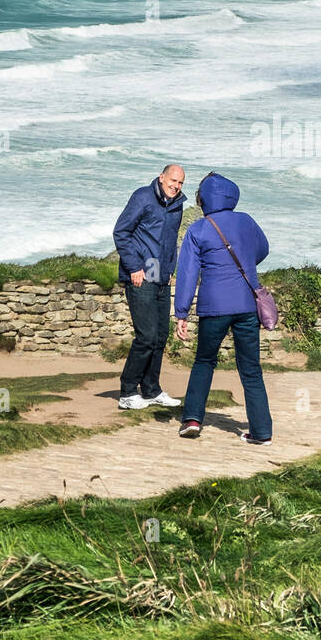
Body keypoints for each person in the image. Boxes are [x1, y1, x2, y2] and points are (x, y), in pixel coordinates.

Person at [173, 171, 274, 444]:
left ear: (204, 199)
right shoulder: (247, 222)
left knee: (204, 362)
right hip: (246, 306)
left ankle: (192, 420)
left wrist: (181, 313)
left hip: (214, 307)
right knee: (251, 368)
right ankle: (262, 432)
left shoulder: (199, 228)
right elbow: (263, 250)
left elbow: (187, 274)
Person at [113, 163, 186, 410]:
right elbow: (121, 232)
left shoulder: (177, 205)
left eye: (180, 183)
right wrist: (134, 267)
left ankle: (151, 390)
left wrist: (170, 270)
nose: (176, 186)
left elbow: (170, 241)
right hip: (141, 277)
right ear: (161, 177)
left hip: (161, 278)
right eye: (173, 180)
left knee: (160, 337)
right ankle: (127, 392)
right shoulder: (142, 197)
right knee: (146, 336)